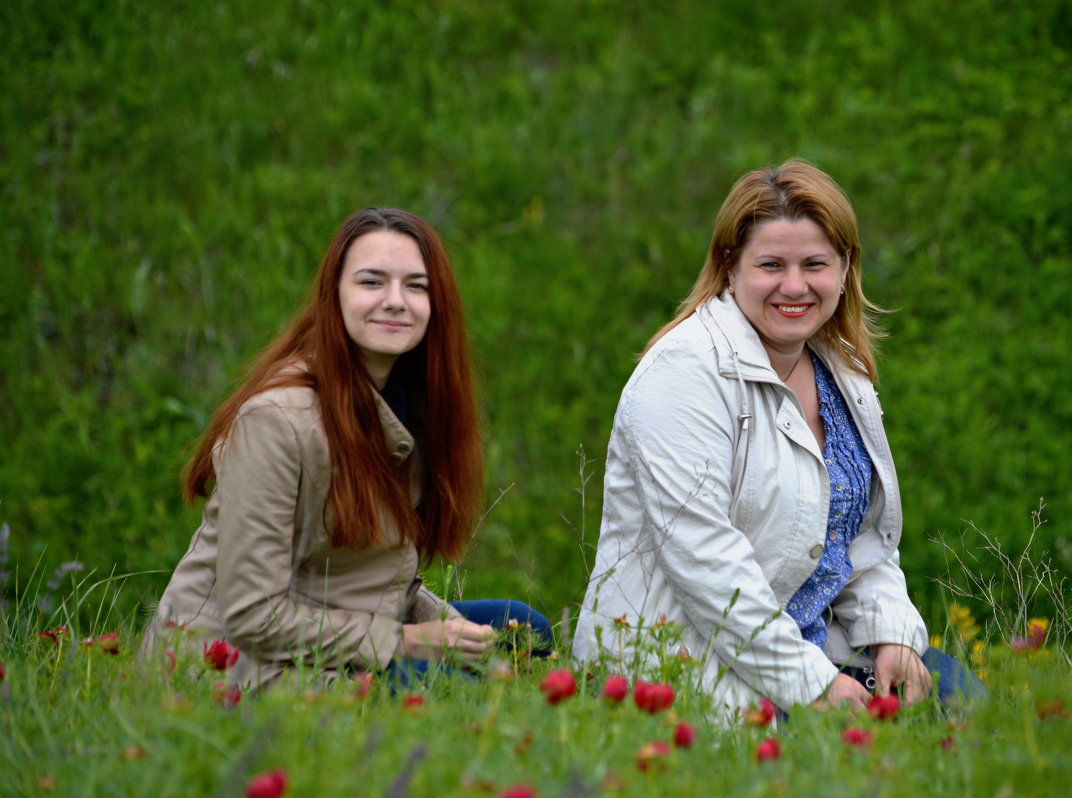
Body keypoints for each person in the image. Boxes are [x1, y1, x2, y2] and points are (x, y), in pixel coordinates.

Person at [572, 159, 983, 715]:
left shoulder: (842, 372)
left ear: (845, 269)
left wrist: (893, 635)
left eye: (815, 264)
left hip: (817, 647)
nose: (795, 286)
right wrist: (815, 685)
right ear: (729, 265)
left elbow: (857, 539)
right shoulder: (683, 373)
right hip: (693, 671)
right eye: (771, 265)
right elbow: (708, 566)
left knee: (968, 707)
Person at [144, 207, 549, 689]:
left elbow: (378, 573)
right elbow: (254, 616)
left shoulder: (408, 407)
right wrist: (408, 642)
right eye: (372, 282)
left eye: (416, 286)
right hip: (231, 661)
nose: (396, 301)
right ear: (333, 296)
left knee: (524, 629)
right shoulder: (275, 422)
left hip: (341, 629)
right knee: (453, 687)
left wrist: (451, 629)